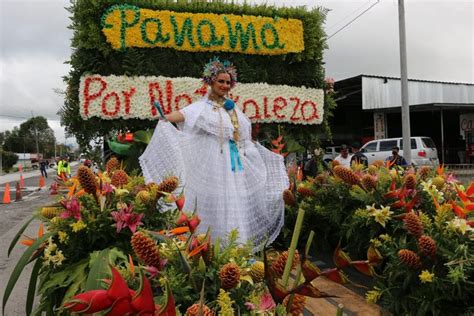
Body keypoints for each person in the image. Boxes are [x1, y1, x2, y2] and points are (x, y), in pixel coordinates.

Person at [139, 58, 289, 248]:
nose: (225, 86)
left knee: (232, 200)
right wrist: (165, 117)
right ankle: (204, 244)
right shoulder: (201, 107)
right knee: (210, 199)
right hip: (210, 163)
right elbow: (185, 114)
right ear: (211, 82)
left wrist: (252, 152)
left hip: (232, 163)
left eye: (228, 82)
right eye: (221, 81)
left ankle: (233, 247)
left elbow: (243, 134)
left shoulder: (233, 108)